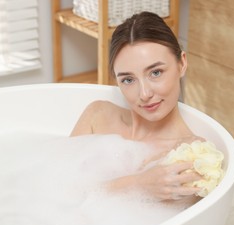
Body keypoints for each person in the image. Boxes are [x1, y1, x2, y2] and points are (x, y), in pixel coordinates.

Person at [71, 11, 204, 202]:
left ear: (181, 64)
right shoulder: (97, 116)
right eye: (128, 79)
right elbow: (61, 190)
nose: (144, 94)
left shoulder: (190, 154)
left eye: (156, 72)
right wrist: (137, 184)